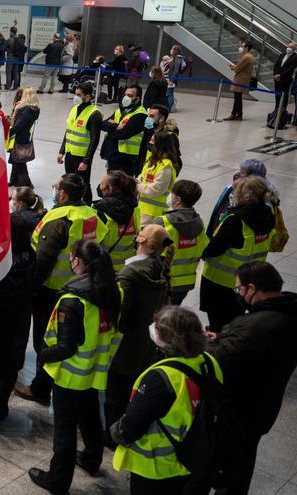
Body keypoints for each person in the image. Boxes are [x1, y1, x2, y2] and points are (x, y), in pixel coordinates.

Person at [28, 239, 122, 494]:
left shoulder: (72, 300)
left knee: (65, 431)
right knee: (91, 416)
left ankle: (58, 481)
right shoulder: (112, 290)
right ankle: (92, 459)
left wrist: (43, 356)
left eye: (71, 258)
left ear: (77, 261)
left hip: (70, 375)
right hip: (95, 370)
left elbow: (66, 347)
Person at [14, 174, 108, 406]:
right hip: (83, 284)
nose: (54, 190)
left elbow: (43, 261)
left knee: (45, 340)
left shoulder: (59, 219)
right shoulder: (92, 215)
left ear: (63, 194)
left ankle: (41, 388)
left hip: (52, 291)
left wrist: (31, 289)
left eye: (56, 187)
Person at [110, 306, 223, 494]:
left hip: (157, 467)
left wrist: (116, 432)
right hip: (192, 457)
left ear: (169, 339)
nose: (152, 328)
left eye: (157, 327)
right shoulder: (209, 362)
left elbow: (131, 426)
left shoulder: (161, 378)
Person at [211, 262, 297, 494]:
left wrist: (211, 343)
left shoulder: (256, 327)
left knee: (227, 467)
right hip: (263, 406)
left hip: (240, 407)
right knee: (244, 460)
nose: (238, 293)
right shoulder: (287, 312)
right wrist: (224, 337)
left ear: (252, 288)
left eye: (239, 289)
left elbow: (223, 359)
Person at [0, 188, 43, 419]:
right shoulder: (31, 255)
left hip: (0, 316)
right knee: (11, 362)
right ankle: (0, 403)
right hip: (21, 315)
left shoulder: (5, 261)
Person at [104, 224, 169, 436]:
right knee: (130, 387)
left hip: (126, 342)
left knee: (115, 392)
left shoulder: (130, 273)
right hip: (146, 338)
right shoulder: (159, 266)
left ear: (140, 240)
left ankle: (112, 434)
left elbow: (120, 313)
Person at [200, 176, 275, 332]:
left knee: (218, 322)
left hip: (220, 282)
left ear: (247, 197)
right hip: (247, 281)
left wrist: (204, 253)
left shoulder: (236, 220)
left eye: (237, 192)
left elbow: (215, 247)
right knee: (234, 318)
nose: (233, 195)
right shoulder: (268, 214)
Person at [155, 180, 208, 305]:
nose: (169, 196)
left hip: (164, 282)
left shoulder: (163, 222)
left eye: (172, 194)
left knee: (161, 316)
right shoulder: (199, 223)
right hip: (186, 283)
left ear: (178, 199)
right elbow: (204, 249)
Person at [57, 82, 103, 202]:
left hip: (82, 156)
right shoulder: (74, 109)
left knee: (83, 183)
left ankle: (87, 206)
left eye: (79, 94)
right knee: (70, 182)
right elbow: (68, 131)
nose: (75, 97)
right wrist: (62, 151)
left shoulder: (94, 114)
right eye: (75, 94)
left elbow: (95, 140)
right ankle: (71, 203)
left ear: (87, 96)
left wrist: (86, 161)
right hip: (70, 153)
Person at [207, 159, 271, 236]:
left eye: (242, 173)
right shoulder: (230, 189)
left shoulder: (263, 204)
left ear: (252, 179)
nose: (238, 174)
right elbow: (217, 211)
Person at [94, 170, 140, 272]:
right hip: (129, 268)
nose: (99, 187)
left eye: (101, 184)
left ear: (109, 189)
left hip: (106, 268)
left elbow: (93, 243)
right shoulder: (135, 210)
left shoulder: (100, 212)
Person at [101, 85, 147, 177]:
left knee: (121, 187)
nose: (125, 97)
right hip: (113, 156)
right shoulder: (120, 110)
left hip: (126, 159)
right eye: (125, 95)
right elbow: (102, 124)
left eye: (130, 95)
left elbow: (122, 134)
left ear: (137, 99)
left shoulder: (140, 115)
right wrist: (116, 126)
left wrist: (111, 129)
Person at [137, 130, 180, 226]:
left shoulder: (166, 166)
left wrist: (137, 186)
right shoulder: (152, 161)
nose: (150, 143)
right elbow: (143, 177)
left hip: (154, 213)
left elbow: (157, 189)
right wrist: (138, 180)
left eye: (153, 141)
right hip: (143, 209)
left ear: (160, 145)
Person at [8, 87, 40, 188]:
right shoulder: (34, 109)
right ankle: (13, 181)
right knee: (15, 160)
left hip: (19, 138)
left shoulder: (26, 110)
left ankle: (26, 184)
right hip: (25, 136)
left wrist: (8, 132)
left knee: (19, 163)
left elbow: (18, 126)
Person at [223, 39, 255, 121]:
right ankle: (239, 114)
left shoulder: (246, 57)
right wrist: (235, 66)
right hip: (243, 79)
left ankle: (233, 114)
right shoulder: (249, 56)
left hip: (240, 80)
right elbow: (240, 66)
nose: (240, 48)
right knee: (238, 98)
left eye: (242, 46)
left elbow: (237, 69)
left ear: (247, 47)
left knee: (237, 98)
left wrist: (233, 67)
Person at [273, 42, 297, 114]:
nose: (288, 48)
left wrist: (280, 75)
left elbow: (290, 68)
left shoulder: (295, 57)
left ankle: (282, 111)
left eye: (291, 47)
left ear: (294, 48)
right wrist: (275, 74)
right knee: (277, 95)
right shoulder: (282, 55)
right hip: (277, 79)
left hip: (285, 79)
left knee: (284, 96)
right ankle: (276, 109)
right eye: (288, 46)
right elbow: (276, 65)